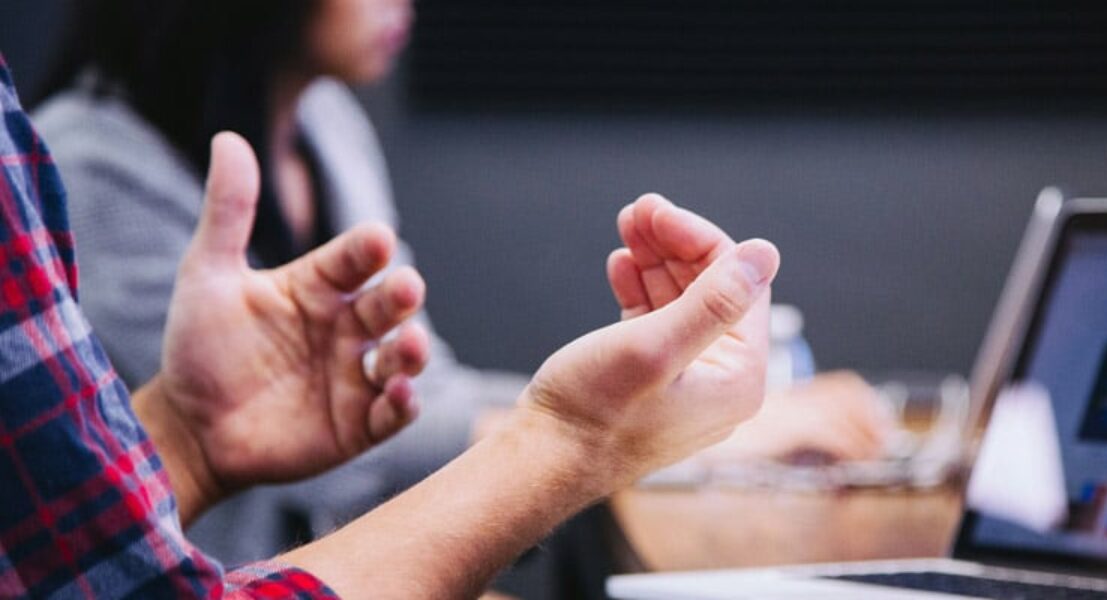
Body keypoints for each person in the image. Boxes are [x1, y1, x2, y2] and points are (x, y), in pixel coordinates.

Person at [30, 0, 891, 573]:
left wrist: (644, 414)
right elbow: (344, 459)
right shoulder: (92, 170)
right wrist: (641, 427)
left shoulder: (325, 124)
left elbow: (408, 394)